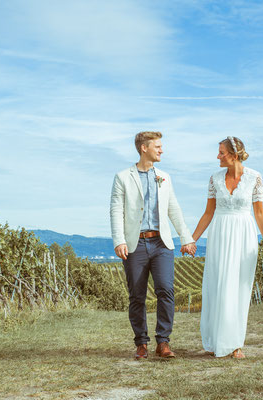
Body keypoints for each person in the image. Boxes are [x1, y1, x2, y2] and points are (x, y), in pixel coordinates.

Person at [110, 131, 196, 360]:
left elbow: (174, 209)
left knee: (166, 291)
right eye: (157, 146)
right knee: (137, 296)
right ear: (143, 148)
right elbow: (116, 210)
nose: (161, 150)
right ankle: (141, 344)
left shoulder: (165, 176)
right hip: (134, 243)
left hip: (162, 243)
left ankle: (163, 342)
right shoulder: (122, 177)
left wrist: (186, 238)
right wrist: (119, 240)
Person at [192, 136, 263, 359]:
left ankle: (235, 343)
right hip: (219, 233)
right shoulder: (214, 178)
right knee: (217, 285)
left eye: (221, 153)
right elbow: (208, 213)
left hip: (244, 235)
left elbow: (259, 213)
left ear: (234, 155)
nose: (218, 156)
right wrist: (193, 239)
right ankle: (215, 341)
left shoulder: (255, 177)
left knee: (238, 288)